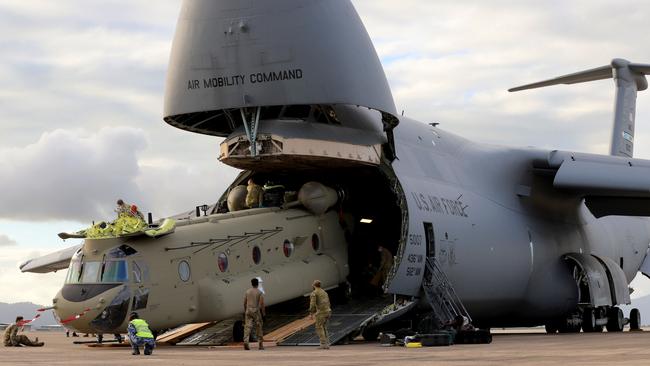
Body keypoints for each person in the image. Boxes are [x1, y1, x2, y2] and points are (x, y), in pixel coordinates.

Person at [243, 277, 265, 350]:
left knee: (247, 327)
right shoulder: (259, 292)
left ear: (251, 284)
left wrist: (245, 310)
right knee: (259, 327)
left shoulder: (247, 291)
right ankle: (260, 345)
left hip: (248, 310)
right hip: (256, 311)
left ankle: (246, 341)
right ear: (257, 284)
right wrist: (263, 314)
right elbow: (262, 304)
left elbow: (244, 302)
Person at [309, 280, 331, 349]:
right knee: (324, 327)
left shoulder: (314, 293)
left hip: (321, 313)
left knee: (319, 327)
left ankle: (323, 344)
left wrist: (311, 313)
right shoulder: (324, 292)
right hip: (328, 311)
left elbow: (312, 304)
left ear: (314, 285)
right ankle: (327, 343)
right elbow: (328, 302)